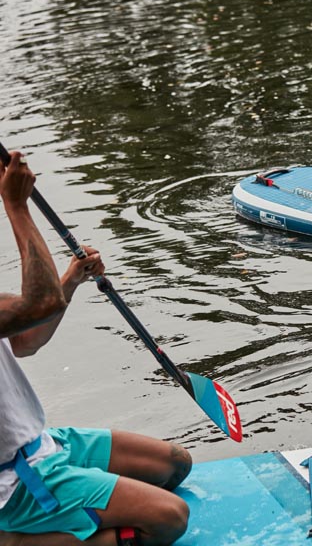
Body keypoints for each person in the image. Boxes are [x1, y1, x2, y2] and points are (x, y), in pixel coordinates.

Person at [0, 150, 191, 546]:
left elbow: (25, 340)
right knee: (169, 519)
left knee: (174, 465)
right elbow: (40, 305)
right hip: (11, 480)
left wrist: (69, 281)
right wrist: (16, 206)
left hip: (42, 445)